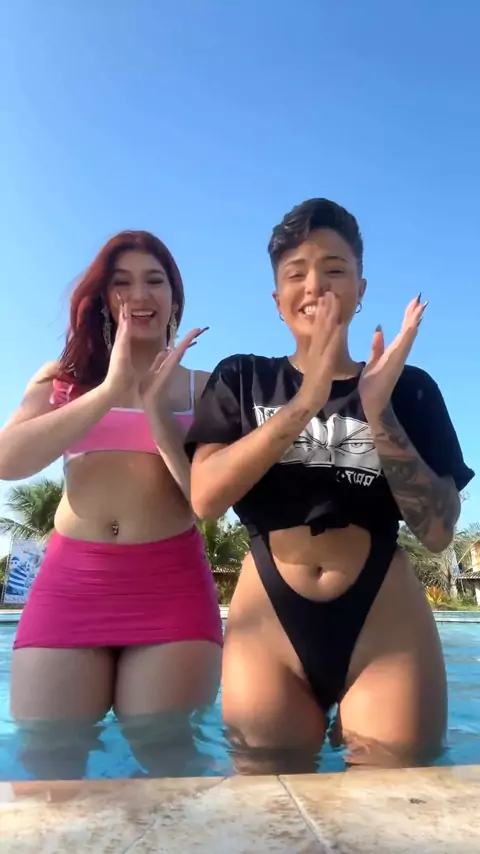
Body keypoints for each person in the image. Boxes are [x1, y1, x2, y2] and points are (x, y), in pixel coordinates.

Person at [185, 198, 474, 773]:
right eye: (296, 273)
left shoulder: (408, 386)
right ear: (277, 299)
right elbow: (206, 498)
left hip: (383, 620)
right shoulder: (241, 378)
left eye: (334, 269)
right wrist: (305, 402)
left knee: (395, 786)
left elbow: (439, 531)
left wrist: (378, 410)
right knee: (269, 793)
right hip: (269, 622)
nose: (315, 285)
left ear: (360, 289)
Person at [0, 230, 223, 779]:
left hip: (169, 585)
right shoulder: (60, 381)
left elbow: (208, 503)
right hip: (71, 583)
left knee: (165, 756)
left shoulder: (203, 387)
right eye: (121, 283)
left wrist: (157, 411)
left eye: (154, 281)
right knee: (47, 761)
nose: (139, 295)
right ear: (103, 298)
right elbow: (8, 459)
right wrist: (108, 389)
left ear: (174, 298)